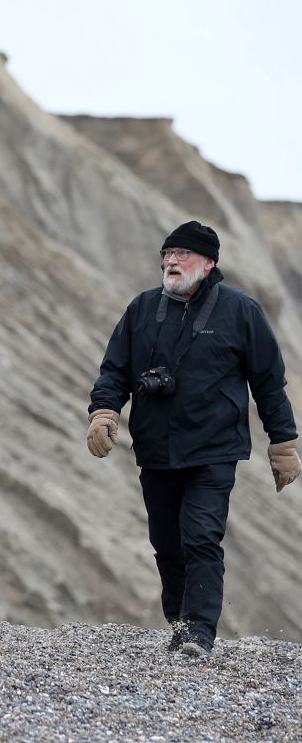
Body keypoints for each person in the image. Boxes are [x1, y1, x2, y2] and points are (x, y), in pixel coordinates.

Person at [87, 220, 301, 659]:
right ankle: (180, 621)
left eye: (182, 254)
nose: (172, 260)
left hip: (213, 450)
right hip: (156, 449)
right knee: (166, 543)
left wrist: (283, 444)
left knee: (201, 537)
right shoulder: (143, 308)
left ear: (209, 263)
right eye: (168, 254)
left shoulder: (241, 311)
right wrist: (105, 411)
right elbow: (114, 369)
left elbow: (269, 382)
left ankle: (199, 633)